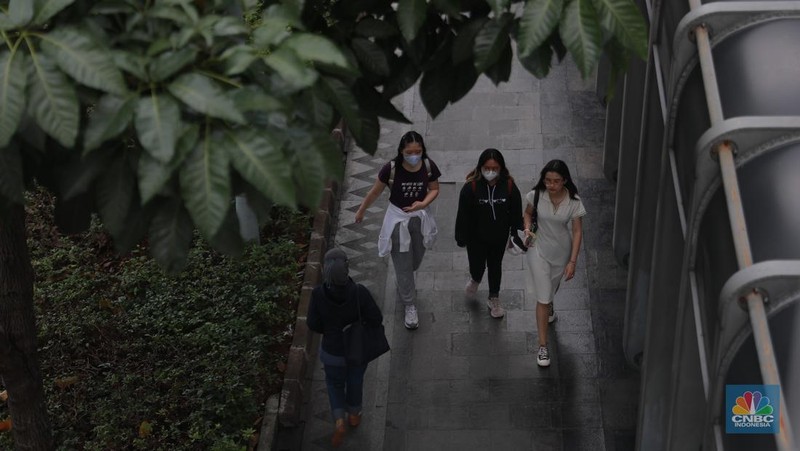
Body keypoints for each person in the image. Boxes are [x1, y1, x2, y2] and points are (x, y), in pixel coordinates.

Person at [354, 131, 440, 330]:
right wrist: (361, 210)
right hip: (397, 222)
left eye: (418, 151)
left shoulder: (428, 166)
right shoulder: (390, 169)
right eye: (409, 152)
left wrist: (422, 203)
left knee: (415, 259)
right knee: (403, 264)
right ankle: (409, 304)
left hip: (418, 219)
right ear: (401, 151)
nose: (414, 155)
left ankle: (404, 281)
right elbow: (375, 191)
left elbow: (434, 188)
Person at [307, 248, 384, 448]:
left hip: (332, 353)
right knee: (355, 381)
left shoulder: (317, 294)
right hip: (356, 352)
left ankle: (339, 419)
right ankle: (354, 415)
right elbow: (376, 318)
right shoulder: (359, 292)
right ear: (347, 269)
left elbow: (313, 324)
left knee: (334, 384)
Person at [523, 159, 586, 367]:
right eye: (547, 180)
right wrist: (526, 229)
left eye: (556, 181)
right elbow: (528, 213)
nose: (551, 185)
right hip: (538, 248)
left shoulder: (574, 202)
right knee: (542, 296)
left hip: (561, 252)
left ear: (564, 181)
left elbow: (577, 231)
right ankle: (542, 346)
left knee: (551, 288)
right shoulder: (537, 195)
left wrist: (572, 261)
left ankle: (550, 302)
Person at [454, 148, 523, 318]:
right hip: (475, 238)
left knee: (495, 266)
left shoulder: (509, 187)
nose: (490, 172)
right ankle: (475, 278)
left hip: (499, 238)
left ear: (501, 168)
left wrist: (516, 235)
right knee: (477, 265)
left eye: (495, 168)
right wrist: (461, 237)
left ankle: (494, 296)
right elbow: (462, 214)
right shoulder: (470, 188)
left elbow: (516, 214)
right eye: (487, 168)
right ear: (480, 167)